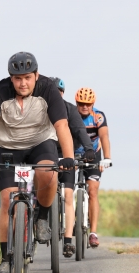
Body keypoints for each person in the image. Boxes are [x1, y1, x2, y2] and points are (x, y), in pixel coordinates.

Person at [0, 52, 75, 273]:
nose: (23, 83)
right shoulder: (0, 91)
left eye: (27, 77)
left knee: (47, 173)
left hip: (41, 143)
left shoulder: (47, 89)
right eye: (17, 78)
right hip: (9, 147)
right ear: (11, 78)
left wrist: (67, 157)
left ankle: (42, 217)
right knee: (7, 199)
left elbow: (62, 125)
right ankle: (6, 260)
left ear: (36, 75)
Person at [49, 77, 94, 258]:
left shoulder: (70, 110)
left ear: (63, 93)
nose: (56, 95)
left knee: (68, 195)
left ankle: (68, 240)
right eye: (53, 92)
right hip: (48, 158)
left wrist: (89, 149)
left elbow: (80, 130)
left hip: (67, 158)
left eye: (59, 92)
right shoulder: (41, 110)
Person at [74, 87, 112, 248]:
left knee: (93, 191)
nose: (84, 107)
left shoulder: (98, 116)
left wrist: (107, 158)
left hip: (94, 155)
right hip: (74, 154)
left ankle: (93, 233)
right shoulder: (71, 115)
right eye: (81, 103)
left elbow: (104, 136)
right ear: (77, 103)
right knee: (66, 188)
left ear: (93, 104)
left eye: (88, 104)